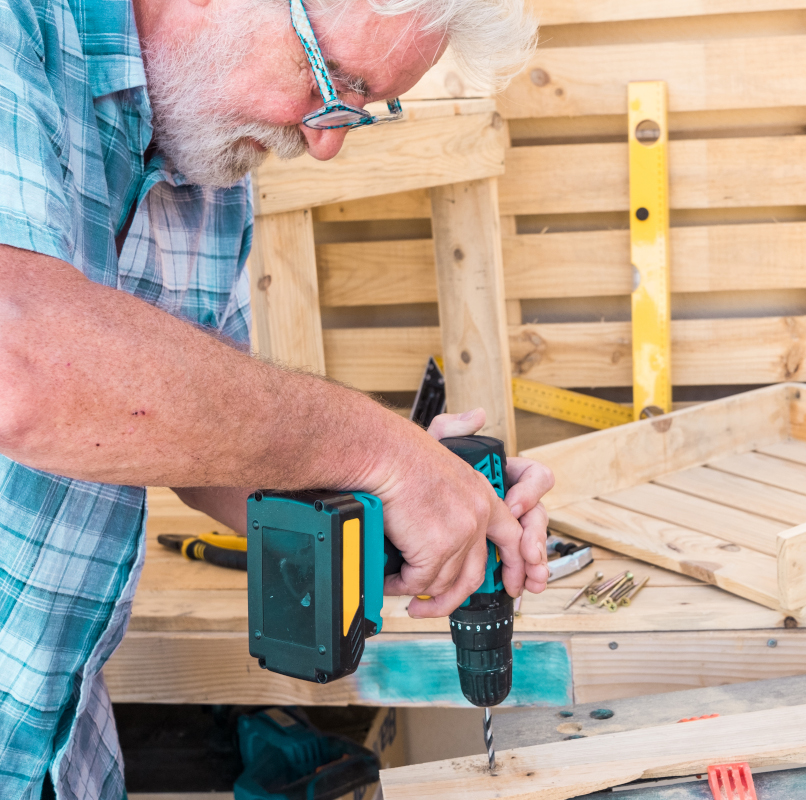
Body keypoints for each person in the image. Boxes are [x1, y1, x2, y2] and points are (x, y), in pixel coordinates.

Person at [0, 0, 550, 795]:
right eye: (335, 80)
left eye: (360, 111)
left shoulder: (209, 163)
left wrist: (406, 497)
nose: (323, 144)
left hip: (57, 751)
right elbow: (21, 368)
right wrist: (377, 452)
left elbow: (208, 448)